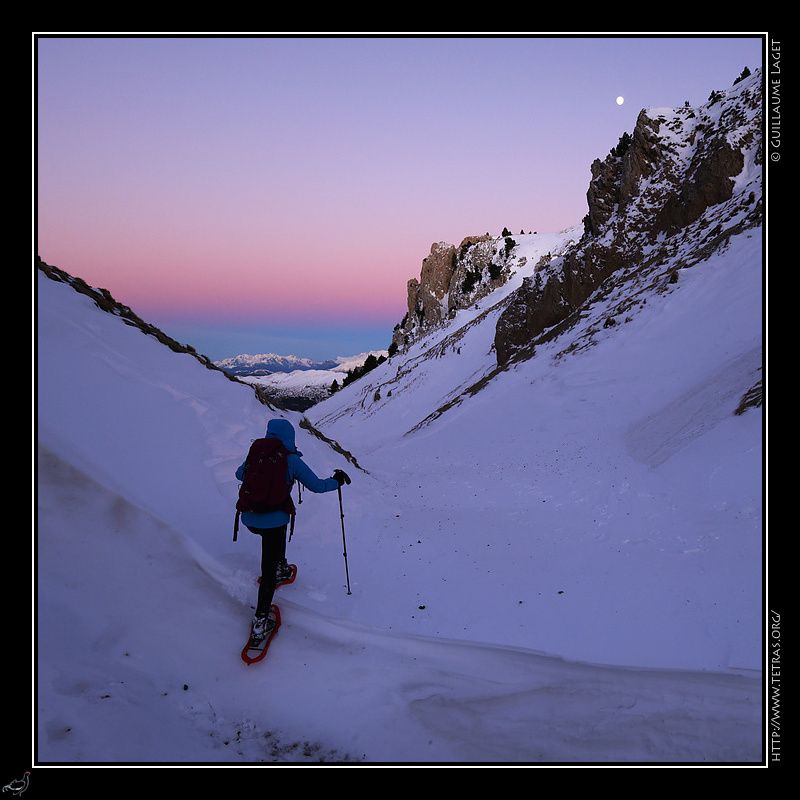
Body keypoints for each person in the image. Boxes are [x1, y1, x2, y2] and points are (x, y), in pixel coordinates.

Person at [236, 418, 350, 641]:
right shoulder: (291, 460)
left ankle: (279, 567)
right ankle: (260, 620)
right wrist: (337, 481)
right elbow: (317, 486)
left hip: (249, 519)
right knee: (269, 564)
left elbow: (240, 475)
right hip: (274, 521)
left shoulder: (255, 453)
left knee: (272, 540)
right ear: (290, 438)